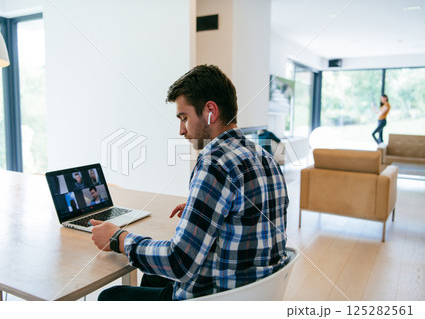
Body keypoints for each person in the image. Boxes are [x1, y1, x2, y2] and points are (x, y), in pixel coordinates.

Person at [90, 65, 289, 301]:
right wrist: (209, 211)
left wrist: (119, 239)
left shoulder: (214, 163)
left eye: (184, 118)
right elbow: (252, 216)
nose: (181, 130)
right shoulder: (264, 156)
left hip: (215, 299)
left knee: (109, 297)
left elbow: (179, 263)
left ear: (210, 111)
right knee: (152, 274)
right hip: (254, 292)